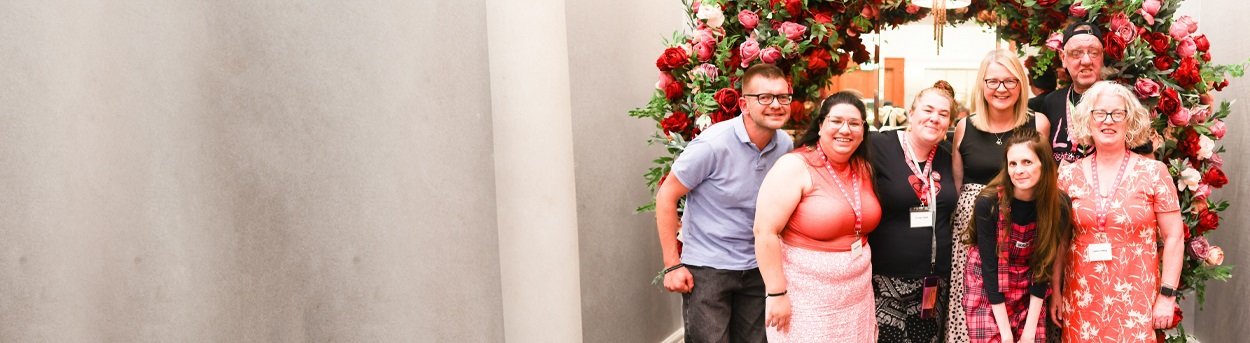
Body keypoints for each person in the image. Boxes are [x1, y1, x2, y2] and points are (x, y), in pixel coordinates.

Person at [654, 63, 795, 343]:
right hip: (709, 268)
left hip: (757, 267)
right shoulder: (712, 145)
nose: (776, 105)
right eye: (764, 97)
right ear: (744, 103)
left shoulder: (784, 145)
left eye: (783, 97)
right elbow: (666, 196)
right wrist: (672, 265)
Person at [1053, 81, 1184, 341]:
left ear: (1130, 120)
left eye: (1117, 113)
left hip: (1136, 301)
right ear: (1087, 120)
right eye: (1099, 113)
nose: (1108, 121)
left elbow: (1174, 237)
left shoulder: (1154, 173)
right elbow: (1060, 239)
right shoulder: (1069, 175)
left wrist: (1167, 296)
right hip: (1082, 299)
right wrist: (1056, 290)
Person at [754, 91, 880, 342]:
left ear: (863, 130)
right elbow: (764, 231)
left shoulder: (863, 167)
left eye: (854, 123)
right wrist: (776, 294)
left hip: (857, 297)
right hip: (806, 298)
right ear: (821, 125)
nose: (846, 129)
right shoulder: (795, 166)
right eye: (836, 121)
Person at [948, 49, 1050, 343]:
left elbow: (1043, 180)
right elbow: (958, 185)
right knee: (974, 315)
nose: (1001, 89)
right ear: (982, 85)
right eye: (993, 81)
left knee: (1020, 314)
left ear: (1021, 85)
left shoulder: (1038, 123)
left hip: (1022, 234)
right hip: (973, 236)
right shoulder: (964, 127)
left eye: (1010, 81)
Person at [866, 81, 958, 342]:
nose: (934, 119)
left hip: (934, 281)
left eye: (943, 114)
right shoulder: (878, 146)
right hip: (886, 279)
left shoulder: (948, 156)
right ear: (911, 112)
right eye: (928, 110)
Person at [963, 130, 1070, 343]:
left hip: (1029, 284)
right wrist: (1005, 335)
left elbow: (1044, 267)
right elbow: (989, 268)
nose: (1019, 170)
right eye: (1013, 164)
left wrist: (1029, 332)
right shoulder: (989, 203)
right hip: (988, 287)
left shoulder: (1058, 206)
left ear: (1044, 165)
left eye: (1027, 162)